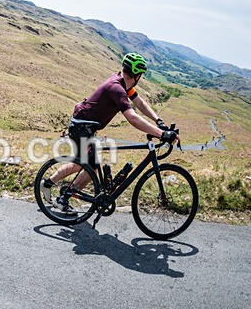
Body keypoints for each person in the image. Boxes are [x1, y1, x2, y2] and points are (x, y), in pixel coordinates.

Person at [41, 53, 180, 211]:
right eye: (140, 75)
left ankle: (59, 192)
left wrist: (158, 121)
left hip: (86, 126)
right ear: (137, 75)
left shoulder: (122, 83)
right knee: (85, 166)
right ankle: (53, 189)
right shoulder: (117, 88)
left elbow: (139, 102)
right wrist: (162, 134)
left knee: (88, 167)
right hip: (81, 127)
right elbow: (133, 118)